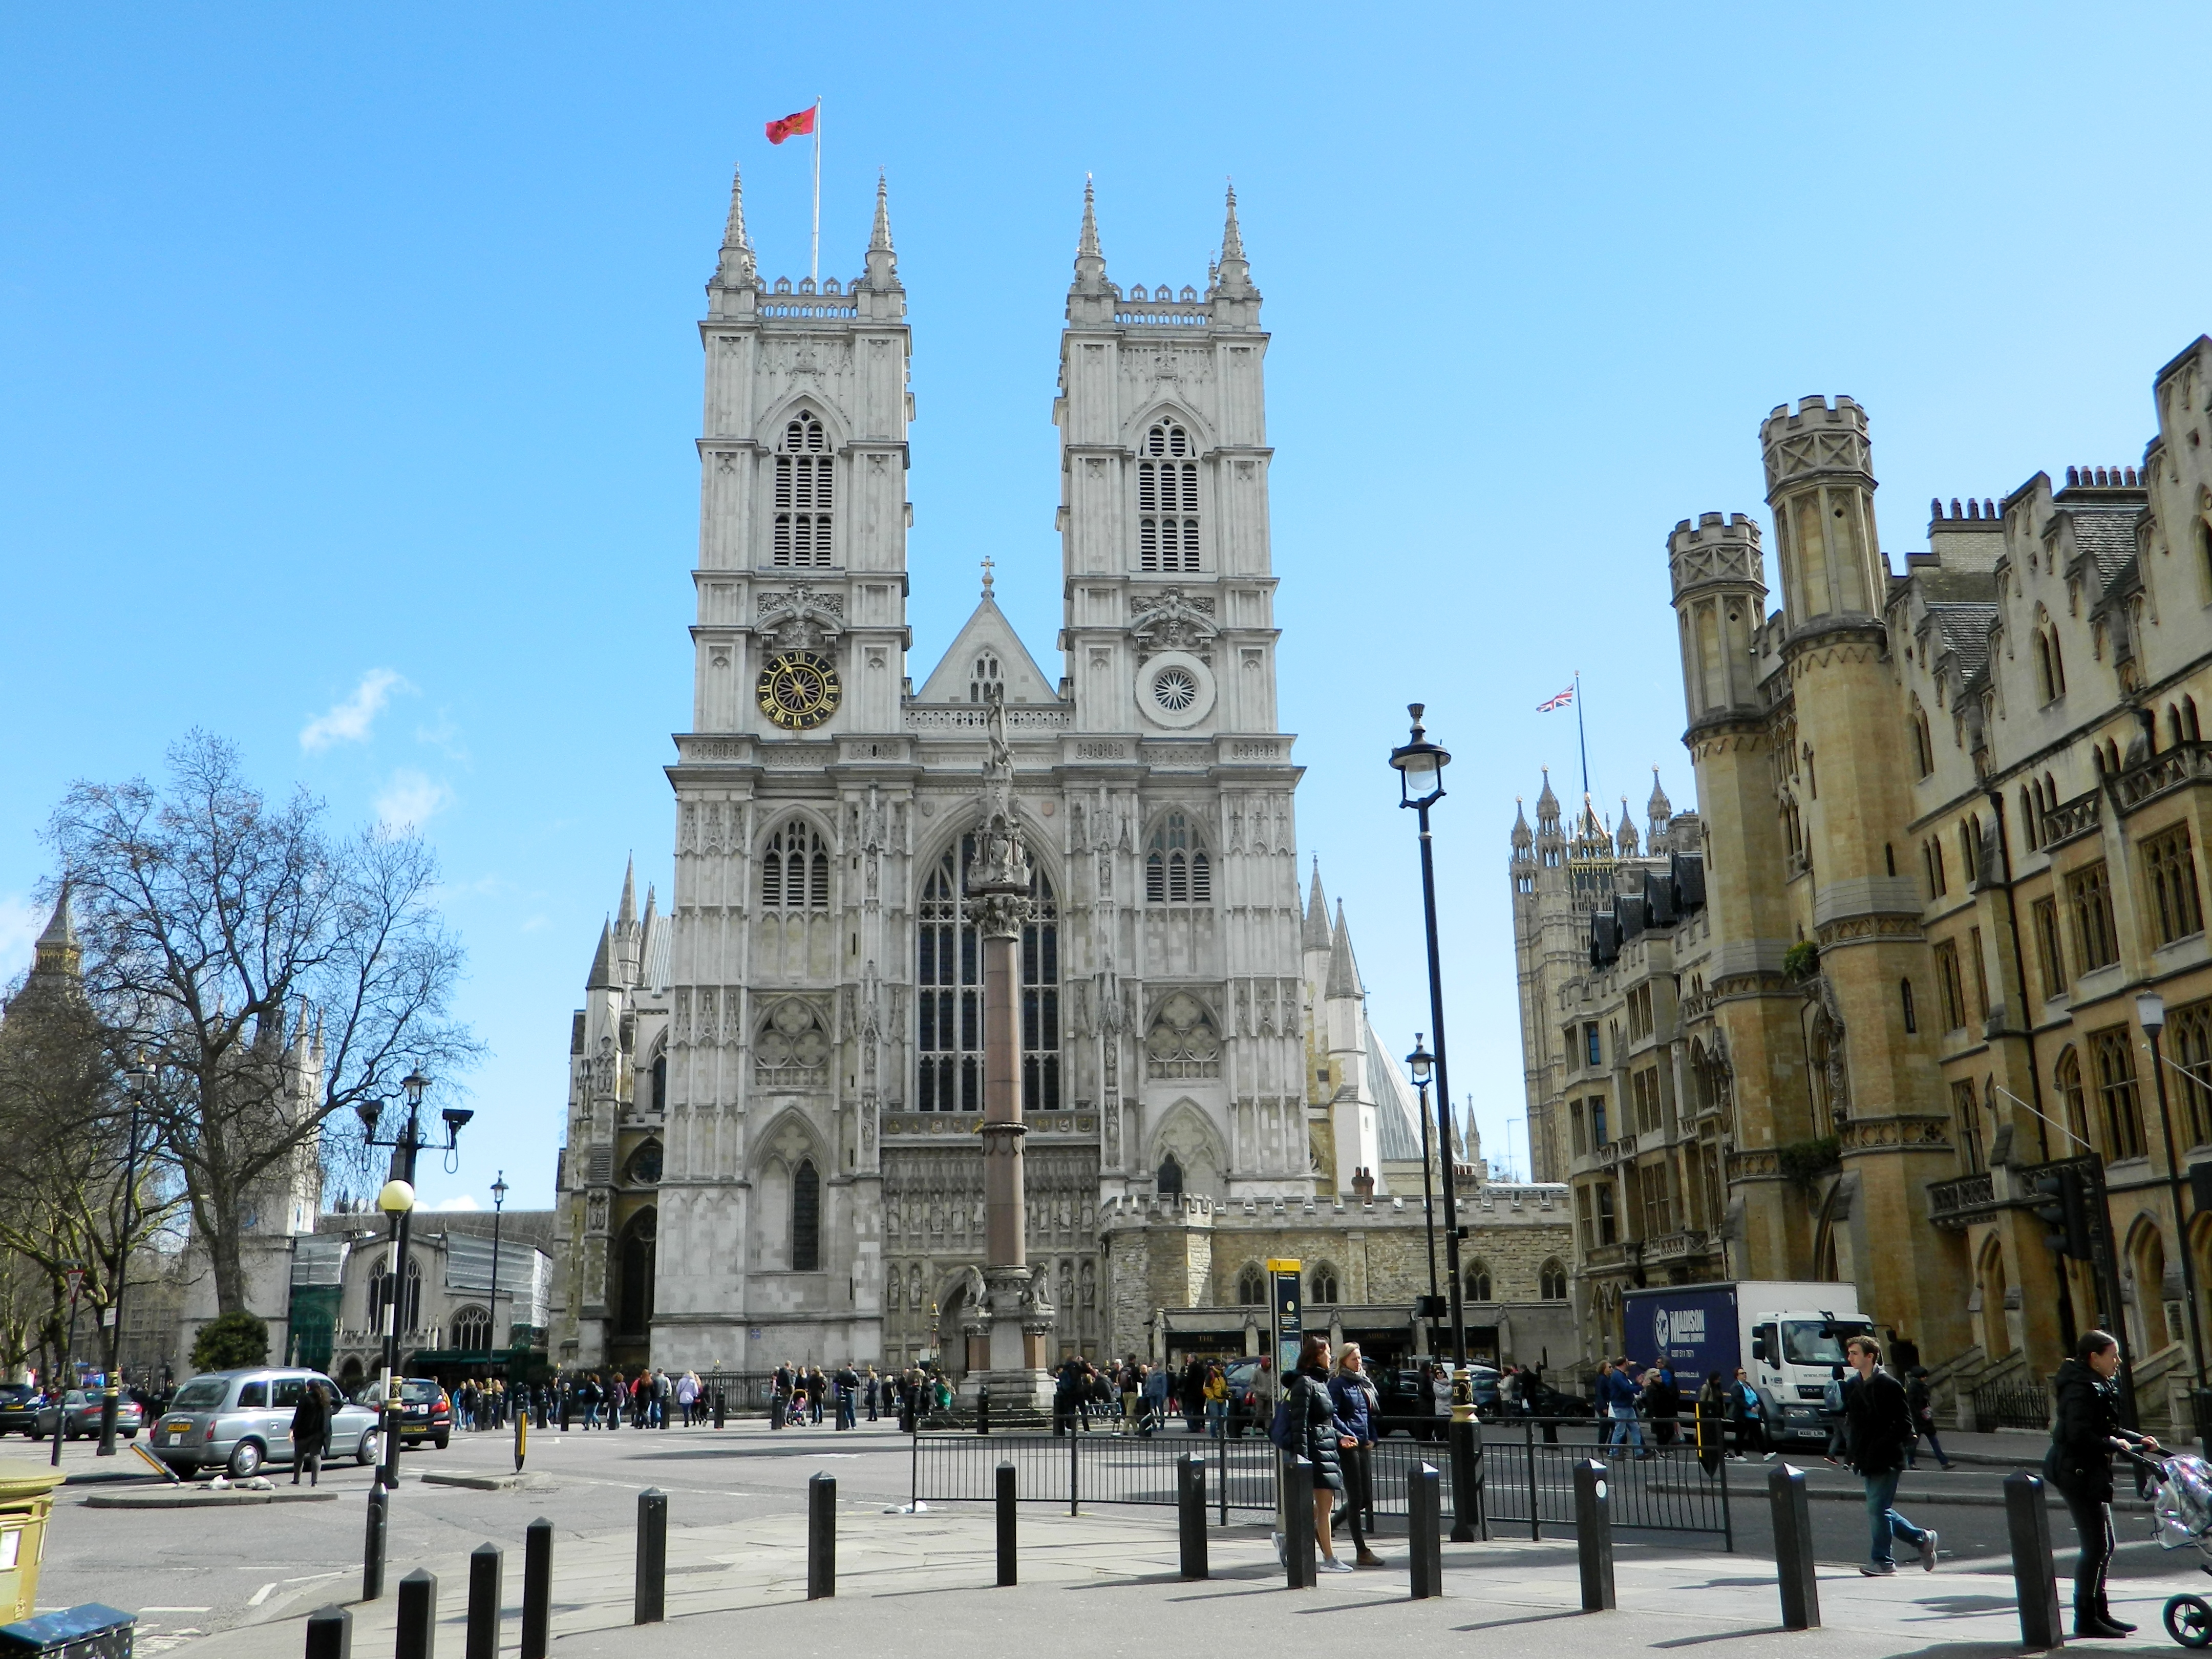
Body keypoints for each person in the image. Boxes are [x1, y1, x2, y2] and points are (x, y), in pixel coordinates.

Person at [2048, 1328, 2157, 1638]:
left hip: (2090, 1471)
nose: (2119, 1361)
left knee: (2105, 1544)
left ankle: (2100, 1612)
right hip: (2076, 1472)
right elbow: (2078, 1434)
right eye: (2114, 1355)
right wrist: (2116, 1445)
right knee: (2095, 1546)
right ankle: (2085, 1618)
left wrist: (2138, 1440)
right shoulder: (2079, 1388)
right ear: (2094, 1357)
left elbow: (2107, 1426)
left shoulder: (2096, 1382)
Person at [1840, 1334, 1936, 1577]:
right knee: (1880, 1508)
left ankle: (1883, 1561)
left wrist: (1879, 1445)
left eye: (1855, 1353)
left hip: (1887, 1456)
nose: (1849, 1357)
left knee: (1877, 1508)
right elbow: (1854, 1423)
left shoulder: (1890, 1385)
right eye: (1849, 1353)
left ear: (1870, 1356)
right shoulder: (1853, 1385)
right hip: (1866, 1457)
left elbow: (1904, 1424)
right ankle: (1922, 1538)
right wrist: (1852, 1452)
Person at [1272, 1334, 1355, 1575]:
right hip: (1315, 1453)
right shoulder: (1305, 1384)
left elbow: (1324, 1420)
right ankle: (1329, 1558)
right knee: (1324, 1508)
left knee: (1320, 1509)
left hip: (1325, 1449)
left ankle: (1287, 1539)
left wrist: (1340, 1437)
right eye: (1328, 1352)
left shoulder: (1320, 1382)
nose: (1331, 1356)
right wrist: (1303, 1461)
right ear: (1317, 1355)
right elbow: (1299, 1425)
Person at [1327, 1343, 1387, 1568]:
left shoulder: (1362, 1383)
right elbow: (1331, 1413)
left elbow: (1367, 1414)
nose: (1359, 1363)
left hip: (1363, 1443)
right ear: (1344, 1362)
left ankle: (1329, 1525)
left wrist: (1372, 1437)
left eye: (1360, 1358)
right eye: (1354, 1359)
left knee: (1365, 1499)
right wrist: (1347, 1434)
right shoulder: (1338, 1383)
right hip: (1348, 1445)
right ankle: (1362, 1550)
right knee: (1355, 1497)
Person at [1903, 1366, 1953, 1471]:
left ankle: (1944, 1462)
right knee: (1915, 1442)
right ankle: (1911, 1462)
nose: (1925, 1378)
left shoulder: (1921, 1386)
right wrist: (1920, 1414)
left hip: (1925, 1417)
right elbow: (1912, 1404)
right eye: (1924, 1376)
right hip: (1918, 1419)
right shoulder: (1913, 1388)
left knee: (1933, 1441)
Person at [1600, 1358, 1646, 1458]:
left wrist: (1636, 1384)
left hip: (1627, 1406)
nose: (1630, 1364)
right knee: (1620, 1430)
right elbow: (1626, 1389)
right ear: (1624, 1364)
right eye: (1628, 1362)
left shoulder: (1620, 1375)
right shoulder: (1618, 1375)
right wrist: (1641, 1386)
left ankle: (1639, 1452)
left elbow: (1626, 1388)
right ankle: (1613, 1453)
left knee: (1635, 1428)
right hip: (1621, 1406)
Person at [290, 1379, 329, 1487]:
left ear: (309, 1387)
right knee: (316, 1455)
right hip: (319, 1433)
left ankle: (297, 1479)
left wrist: (292, 1429)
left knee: (299, 1456)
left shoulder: (305, 1398)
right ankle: (314, 1482)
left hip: (304, 1432)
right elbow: (338, 1404)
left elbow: (299, 1415)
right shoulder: (325, 1399)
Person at [1695, 1372, 1727, 1475]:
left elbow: (1721, 1401)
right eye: (1717, 1379)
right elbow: (1702, 1402)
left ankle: (1722, 1451)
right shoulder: (1707, 1387)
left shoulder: (1718, 1387)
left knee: (1721, 1434)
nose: (1719, 1381)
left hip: (1717, 1415)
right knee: (1712, 1437)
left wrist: (1723, 1414)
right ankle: (1718, 1454)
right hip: (1709, 1416)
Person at [1643, 1365, 1681, 1449]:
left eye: (1660, 1375)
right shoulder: (1651, 1388)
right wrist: (1653, 1415)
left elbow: (1669, 1395)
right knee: (1660, 1433)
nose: (1660, 1377)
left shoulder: (1662, 1386)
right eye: (1658, 1376)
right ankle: (1661, 1450)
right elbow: (1651, 1403)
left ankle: (1663, 1447)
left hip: (1666, 1412)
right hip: (1658, 1413)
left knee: (1670, 1431)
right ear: (1652, 1378)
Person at [1204, 1363, 1228, 1438]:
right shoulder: (1211, 1375)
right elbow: (1206, 1388)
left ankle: (1222, 1431)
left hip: (1222, 1399)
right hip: (1214, 1400)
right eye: (1219, 1364)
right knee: (1214, 1418)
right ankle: (1214, 1434)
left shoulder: (1223, 1375)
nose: (1221, 1366)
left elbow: (1226, 1385)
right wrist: (1212, 1397)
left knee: (1225, 1416)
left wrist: (1226, 1393)